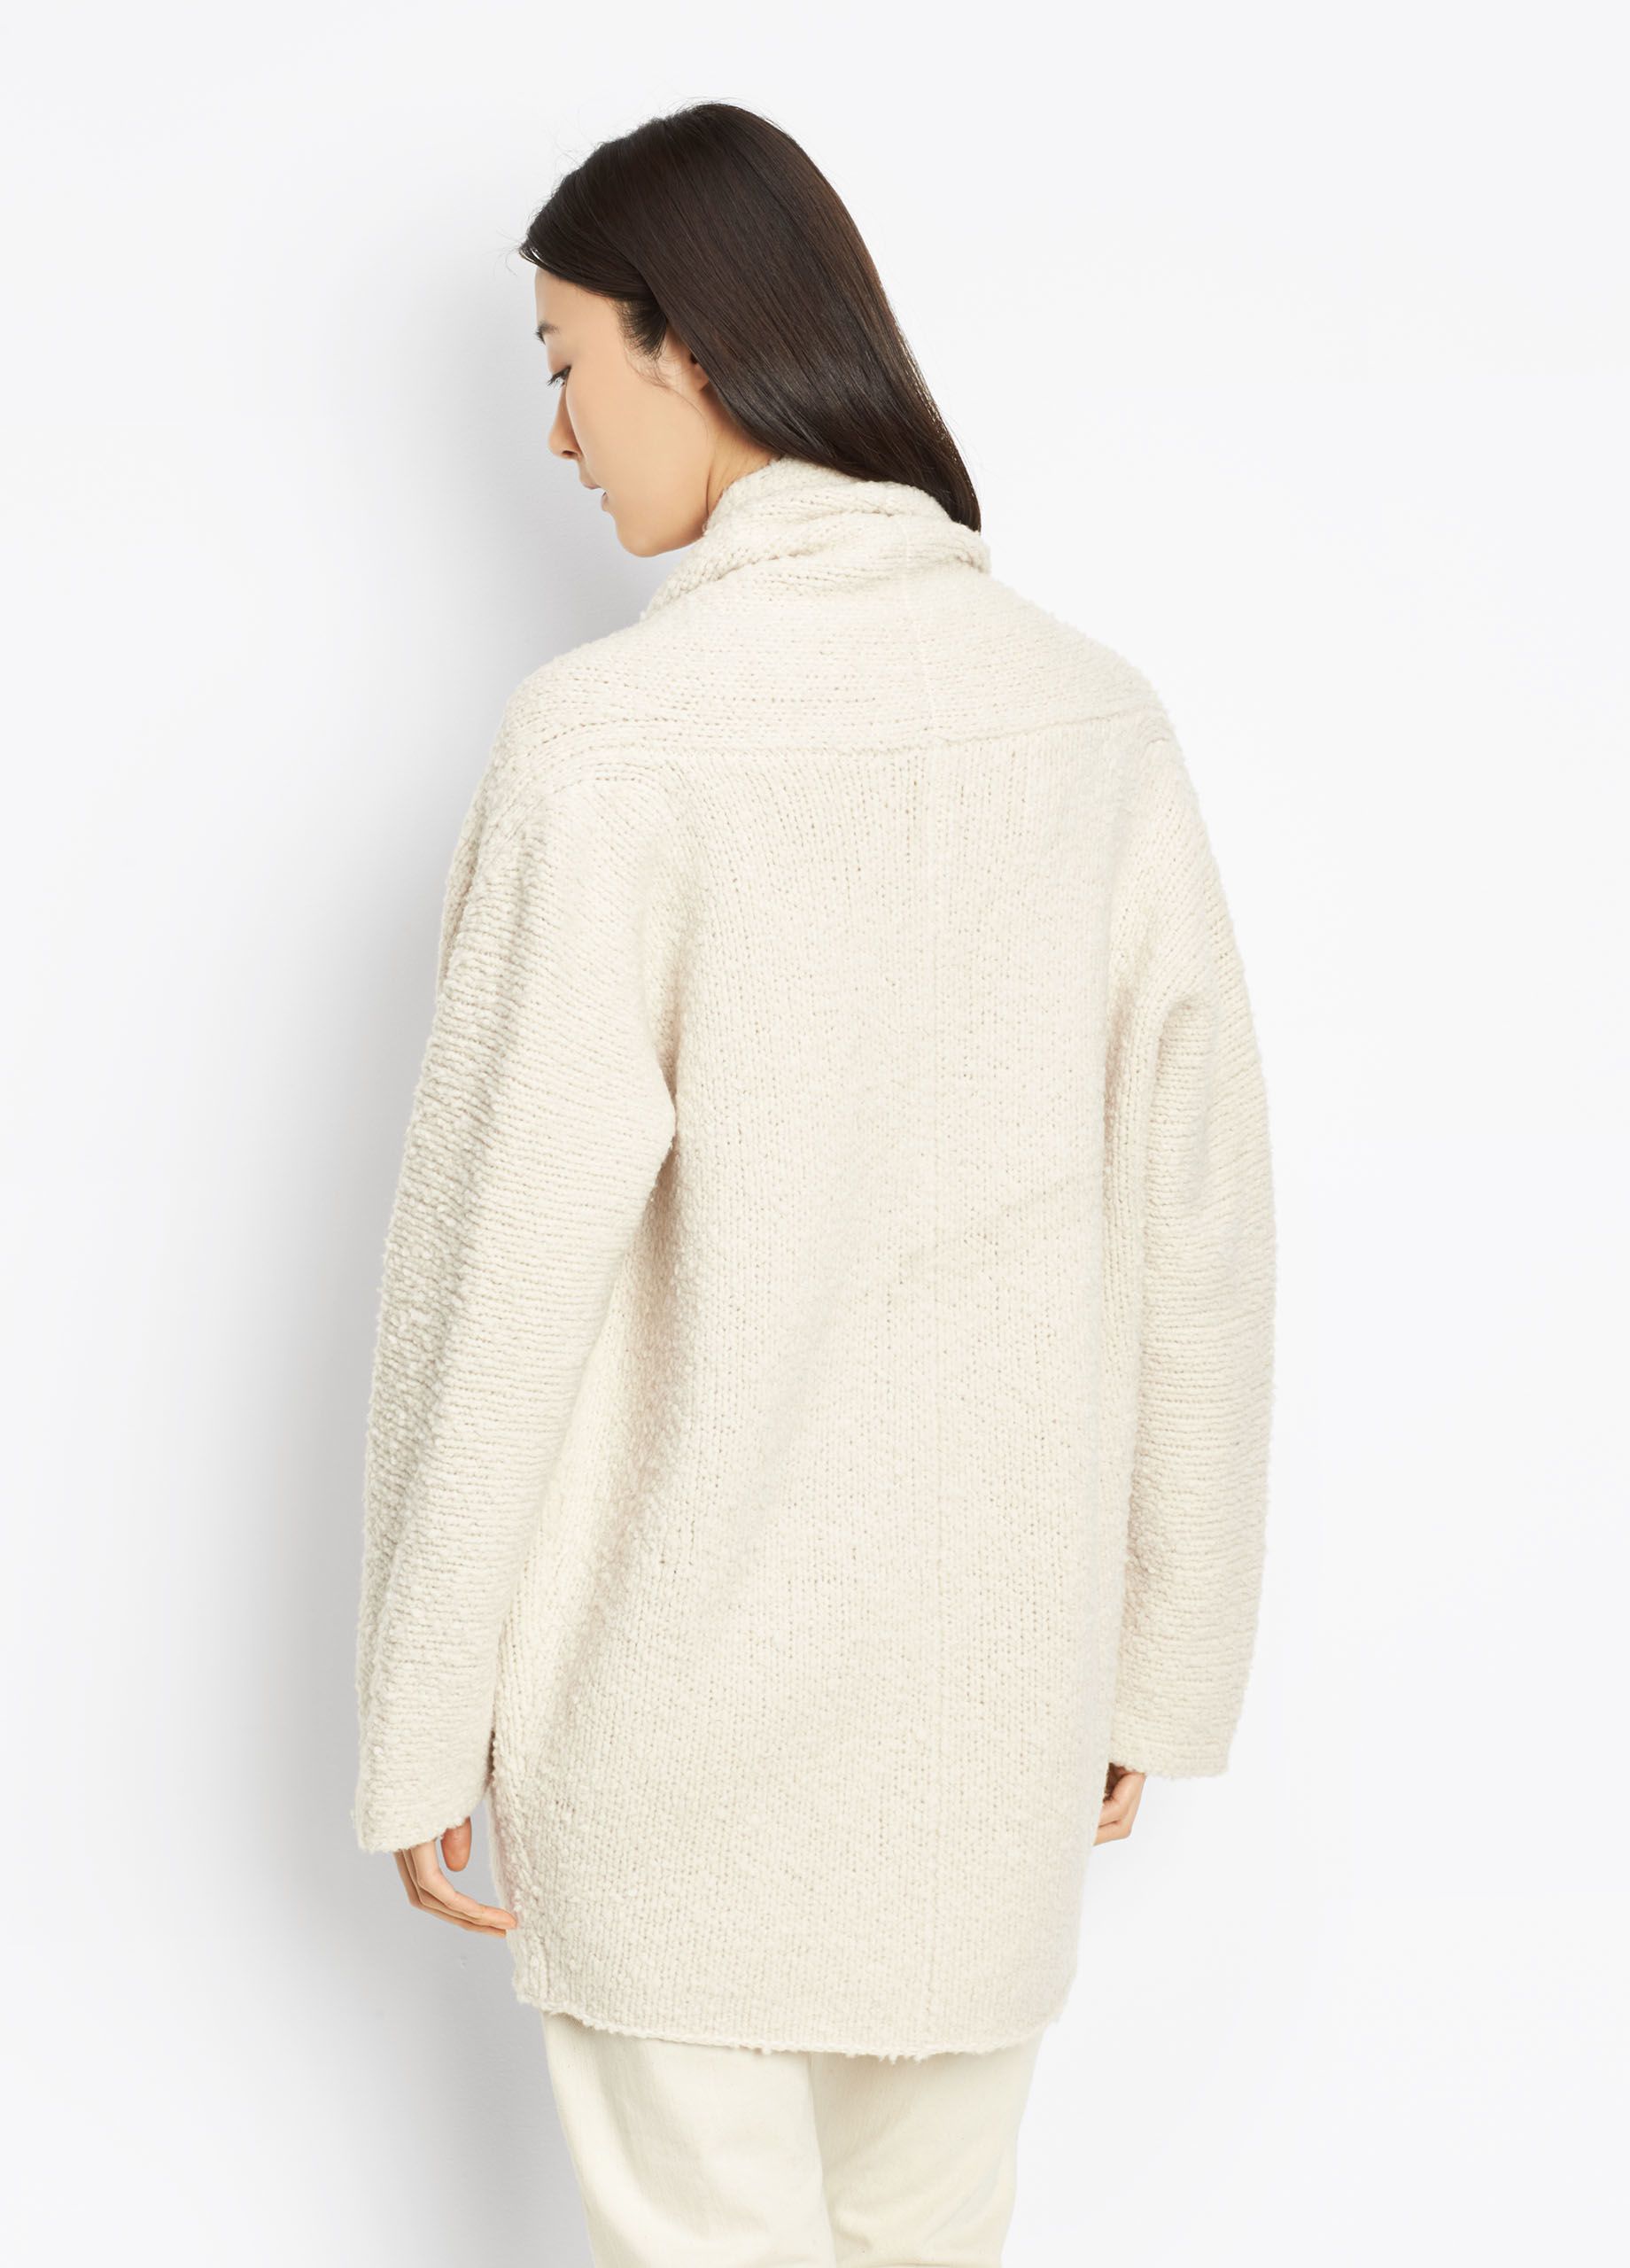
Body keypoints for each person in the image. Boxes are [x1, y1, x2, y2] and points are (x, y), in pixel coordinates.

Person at [352, 99, 1277, 2267]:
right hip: (985, 1718)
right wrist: (1156, 1663)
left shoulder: (608, 742)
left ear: (686, 345)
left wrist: (416, 1716)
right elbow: (1199, 1232)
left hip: (667, 1727)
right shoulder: (1090, 723)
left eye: (567, 361)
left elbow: (494, 1271)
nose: (559, 433)